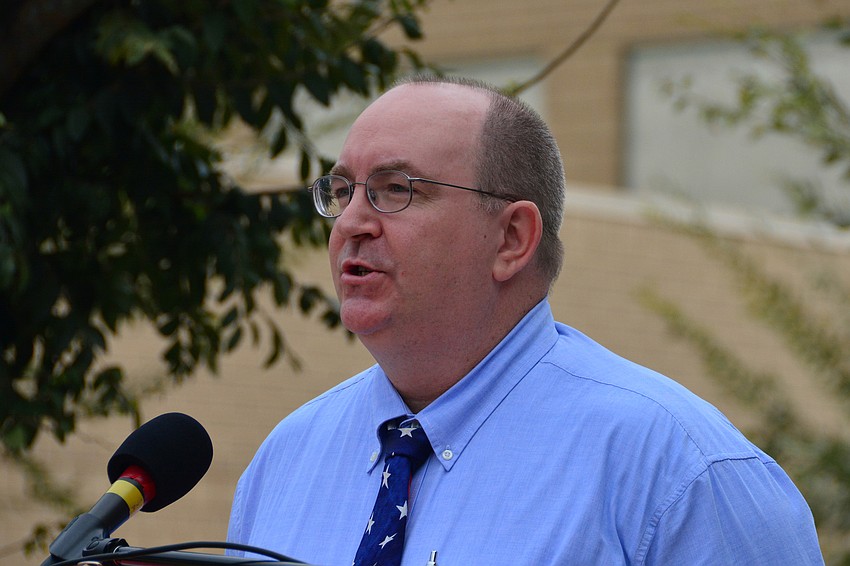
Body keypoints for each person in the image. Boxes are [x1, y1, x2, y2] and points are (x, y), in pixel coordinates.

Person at [226, 75, 823, 565]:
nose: (352, 221)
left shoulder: (678, 471)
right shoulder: (285, 461)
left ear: (512, 238)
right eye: (341, 191)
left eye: (395, 189)